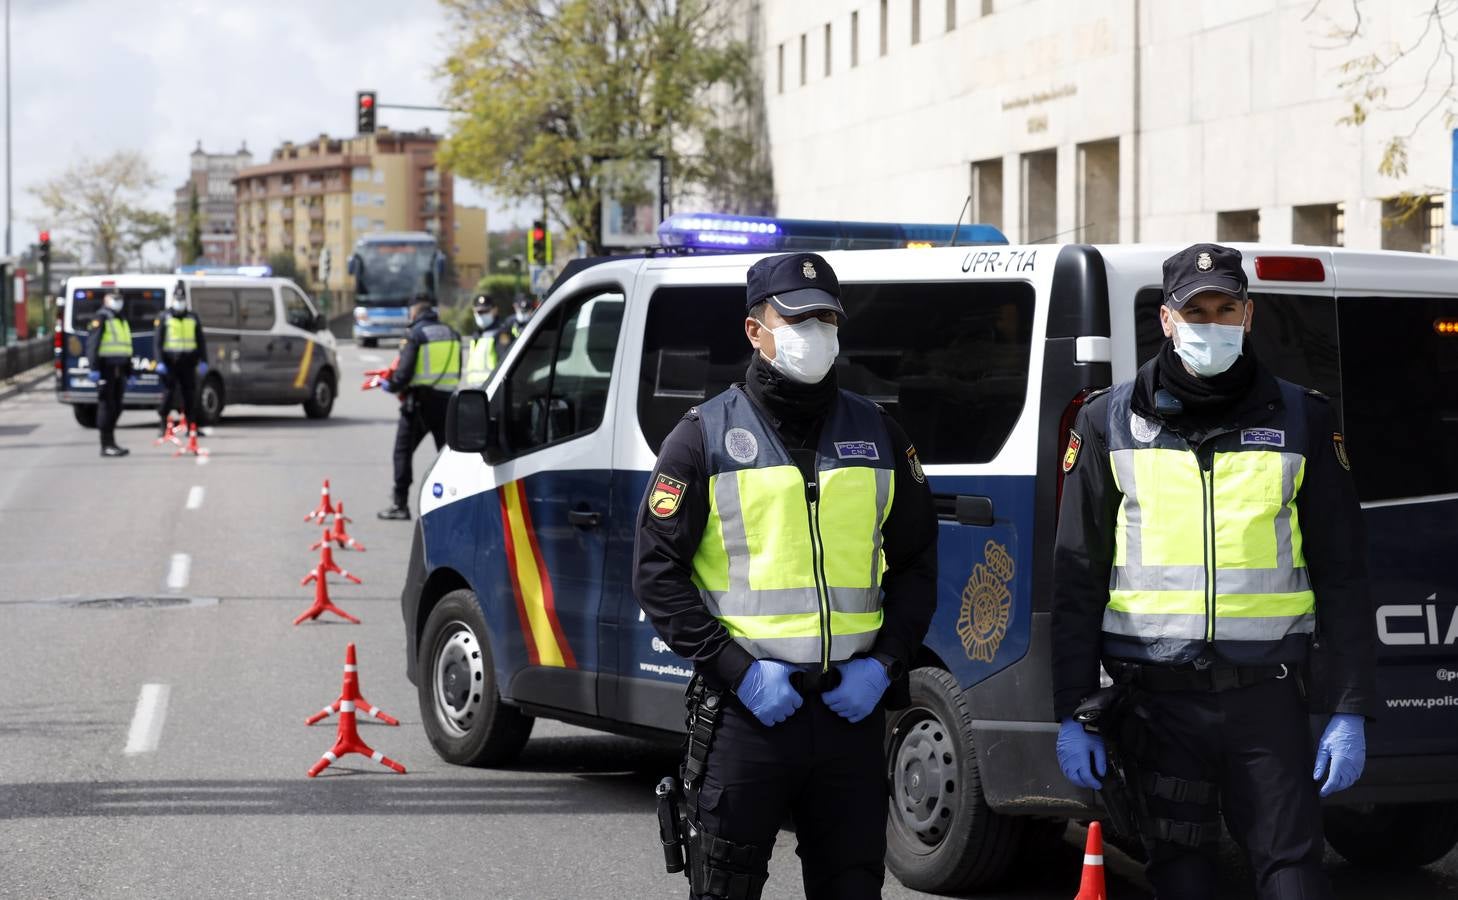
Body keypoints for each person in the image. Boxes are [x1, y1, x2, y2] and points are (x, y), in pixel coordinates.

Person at [1051, 243, 1376, 900]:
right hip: (1157, 705)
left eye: (1225, 307)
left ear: (1248, 316)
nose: (1211, 322)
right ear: (1166, 320)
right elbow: (1078, 576)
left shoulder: (1302, 419)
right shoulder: (1108, 421)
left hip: (1269, 701)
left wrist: (1349, 709)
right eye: (1195, 310)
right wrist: (1073, 710)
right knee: (1183, 880)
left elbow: (1342, 575)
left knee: (1293, 880)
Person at [634, 252, 938, 899]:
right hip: (750, 717)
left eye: (827, 317)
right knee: (724, 889)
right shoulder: (701, 438)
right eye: (797, 317)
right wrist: (737, 671)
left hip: (849, 717)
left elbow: (916, 564)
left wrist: (884, 664)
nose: (816, 331)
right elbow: (657, 575)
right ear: (755, 330)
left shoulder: (880, 433)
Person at [377, 300, 461, 521]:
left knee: (402, 452)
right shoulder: (453, 333)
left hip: (418, 405)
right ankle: (457, 502)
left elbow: (403, 374)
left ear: (415, 314)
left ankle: (400, 504)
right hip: (446, 402)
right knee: (448, 455)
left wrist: (388, 384)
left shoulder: (415, 335)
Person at [153, 280, 209, 434]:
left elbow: (200, 341)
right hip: (170, 362)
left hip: (188, 363)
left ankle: (192, 426)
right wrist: (159, 362)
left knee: (190, 395)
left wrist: (204, 360)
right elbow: (157, 342)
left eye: (182, 299)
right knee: (169, 394)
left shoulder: (192, 317)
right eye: (177, 300)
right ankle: (163, 423)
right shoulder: (165, 317)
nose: (180, 302)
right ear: (173, 300)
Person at [85, 290, 134, 457]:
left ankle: (111, 442)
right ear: (106, 300)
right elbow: (93, 345)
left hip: (119, 370)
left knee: (117, 406)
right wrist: (94, 369)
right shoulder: (101, 318)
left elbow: (126, 347)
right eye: (114, 299)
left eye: (120, 299)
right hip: (105, 368)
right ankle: (106, 445)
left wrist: (130, 371)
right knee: (106, 406)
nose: (118, 302)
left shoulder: (120, 319)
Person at [462, 294, 514, 386]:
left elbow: (506, 365)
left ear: (495, 310)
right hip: (475, 389)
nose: (481, 315)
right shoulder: (477, 335)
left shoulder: (501, 333)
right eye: (478, 312)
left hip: (492, 390)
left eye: (485, 311)